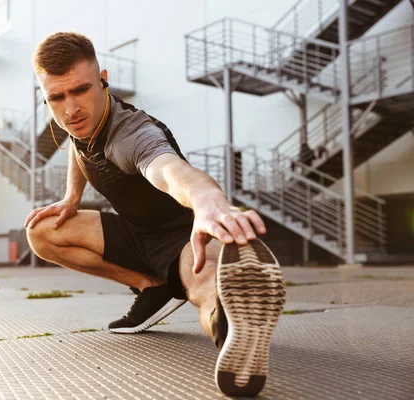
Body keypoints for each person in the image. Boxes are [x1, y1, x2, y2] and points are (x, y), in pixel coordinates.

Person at [25, 32, 286, 397]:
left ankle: (234, 333)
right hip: (134, 232)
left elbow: (170, 170)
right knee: (41, 231)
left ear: (104, 79)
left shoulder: (133, 134)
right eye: (56, 97)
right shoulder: (77, 121)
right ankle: (153, 287)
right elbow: (76, 146)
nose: (70, 110)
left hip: (180, 237)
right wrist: (71, 197)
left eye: (81, 90)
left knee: (205, 285)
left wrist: (209, 200)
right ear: (46, 96)